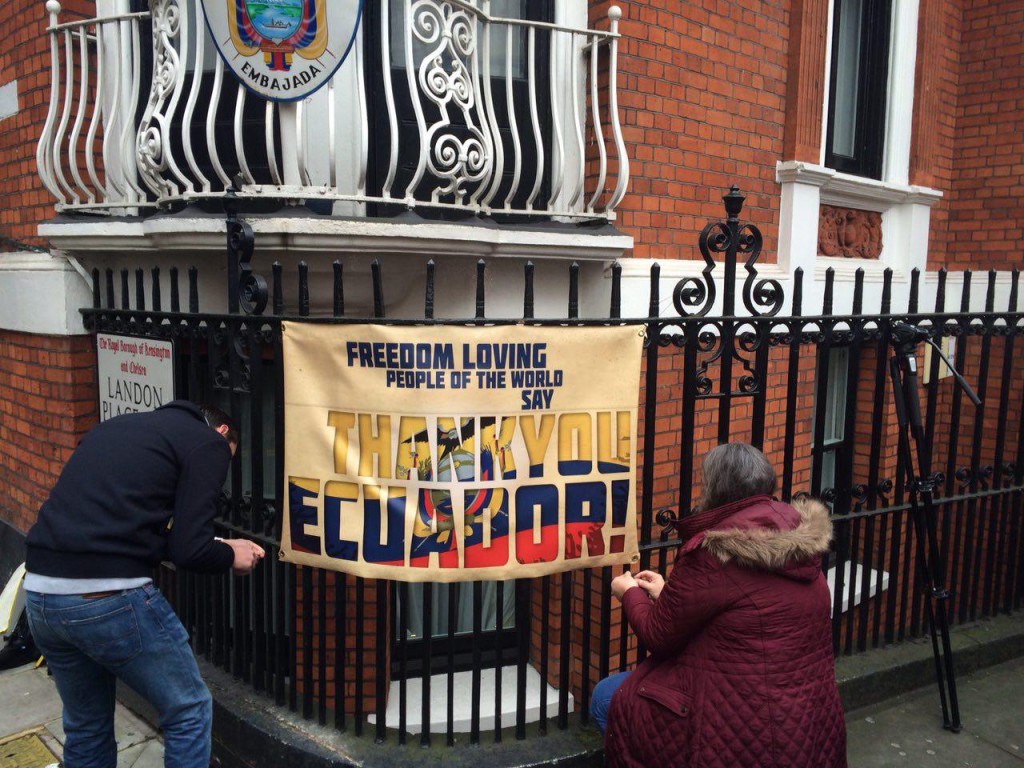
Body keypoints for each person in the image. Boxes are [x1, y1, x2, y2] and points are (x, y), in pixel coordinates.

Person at [23, 400, 265, 768]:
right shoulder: (209, 442)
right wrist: (232, 557)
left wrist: (218, 544)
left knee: (86, 726)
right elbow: (189, 551)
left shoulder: (116, 427)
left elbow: (130, 529)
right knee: (189, 709)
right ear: (221, 432)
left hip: (42, 594)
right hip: (107, 596)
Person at [591, 443, 846, 768]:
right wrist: (668, 592)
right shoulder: (799, 542)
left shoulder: (713, 553)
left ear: (716, 489)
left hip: (737, 724)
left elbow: (658, 635)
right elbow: (745, 609)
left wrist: (629, 592)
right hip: (806, 723)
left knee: (607, 697)